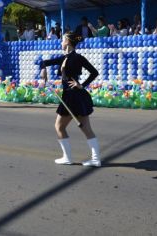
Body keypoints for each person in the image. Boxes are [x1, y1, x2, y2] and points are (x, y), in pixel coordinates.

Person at [40, 32, 101, 167]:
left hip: (72, 96)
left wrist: (81, 85)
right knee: (86, 129)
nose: (61, 42)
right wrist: (43, 69)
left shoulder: (78, 58)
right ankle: (95, 159)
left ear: (67, 41)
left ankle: (68, 157)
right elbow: (44, 62)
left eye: (62, 40)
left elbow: (94, 72)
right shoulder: (64, 58)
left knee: (59, 126)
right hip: (75, 96)